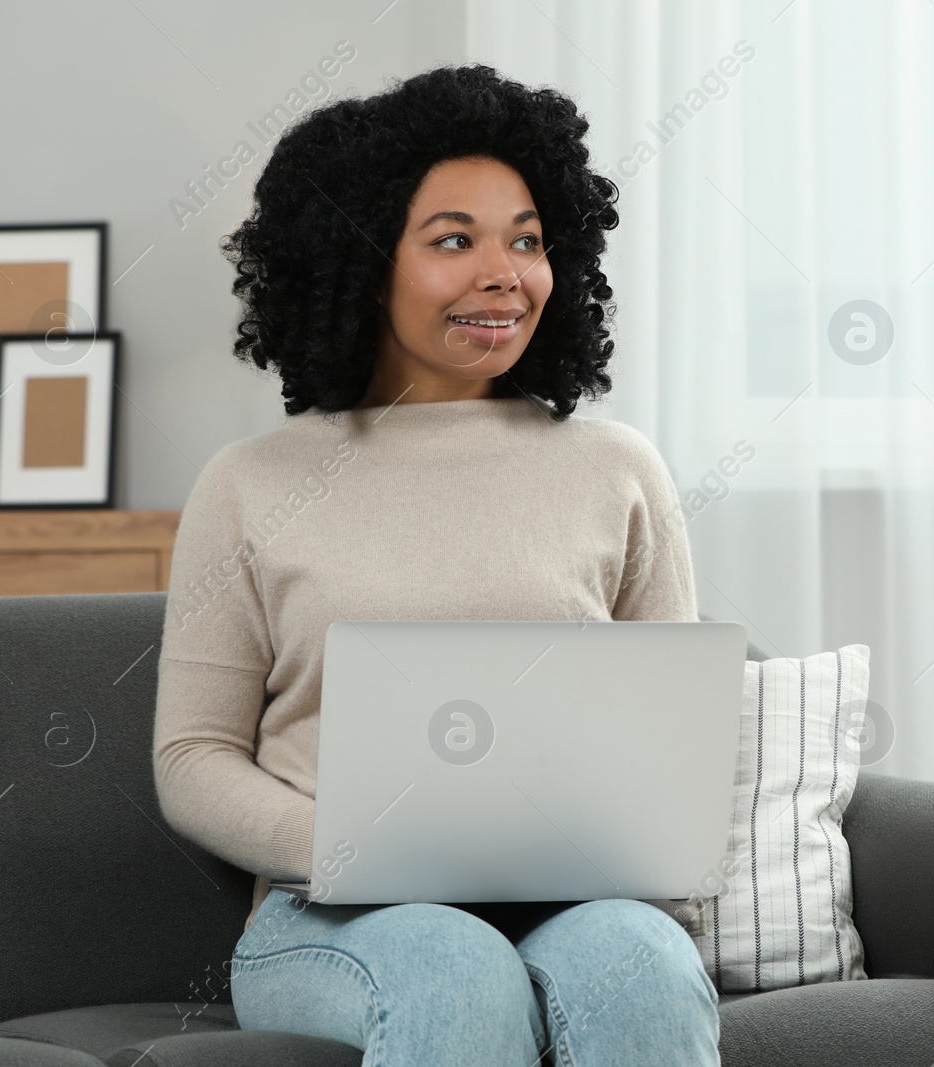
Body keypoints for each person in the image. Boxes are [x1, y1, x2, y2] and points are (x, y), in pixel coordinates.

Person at [151, 62, 720, 1065]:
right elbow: (192, 760)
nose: (504, 273)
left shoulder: (618, 468)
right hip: (337, 918)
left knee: (642, 959)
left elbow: (666, 756)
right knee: (453, 962)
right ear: (360, 259)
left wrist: (647, 879)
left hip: (568, 901)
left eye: (529, 241)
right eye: (454, 240)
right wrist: (362, 847)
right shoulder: (248, 482)